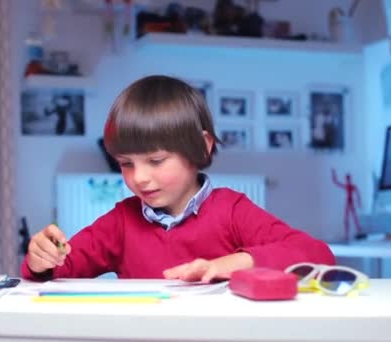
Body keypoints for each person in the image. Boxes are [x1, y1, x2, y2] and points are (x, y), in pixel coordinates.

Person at [21, 75, 335, 282]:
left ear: (202, 146)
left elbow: (319, 256)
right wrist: (41, 259)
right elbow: (57, 273)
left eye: (156, 160)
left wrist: (230, 264)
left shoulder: (232, 210)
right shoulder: (121, 222)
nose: (139, 178)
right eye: (126, 163)